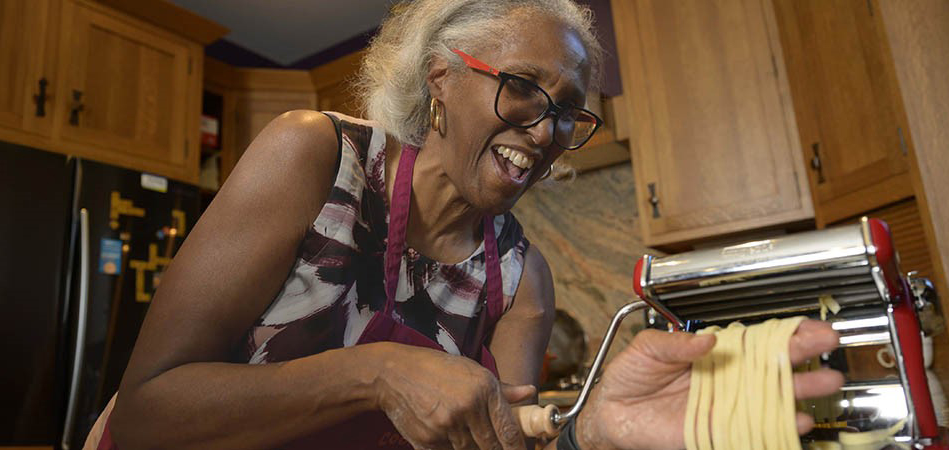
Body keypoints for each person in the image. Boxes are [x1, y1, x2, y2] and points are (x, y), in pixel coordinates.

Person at [97, 0, 844, 448]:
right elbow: (146, 417)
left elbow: (496, 443)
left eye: (568, 111)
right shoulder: (317, 157)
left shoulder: (521, 281)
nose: (547, 130)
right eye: (524, 89)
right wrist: (375, 372)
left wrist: (588, 428)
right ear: (442, 78)